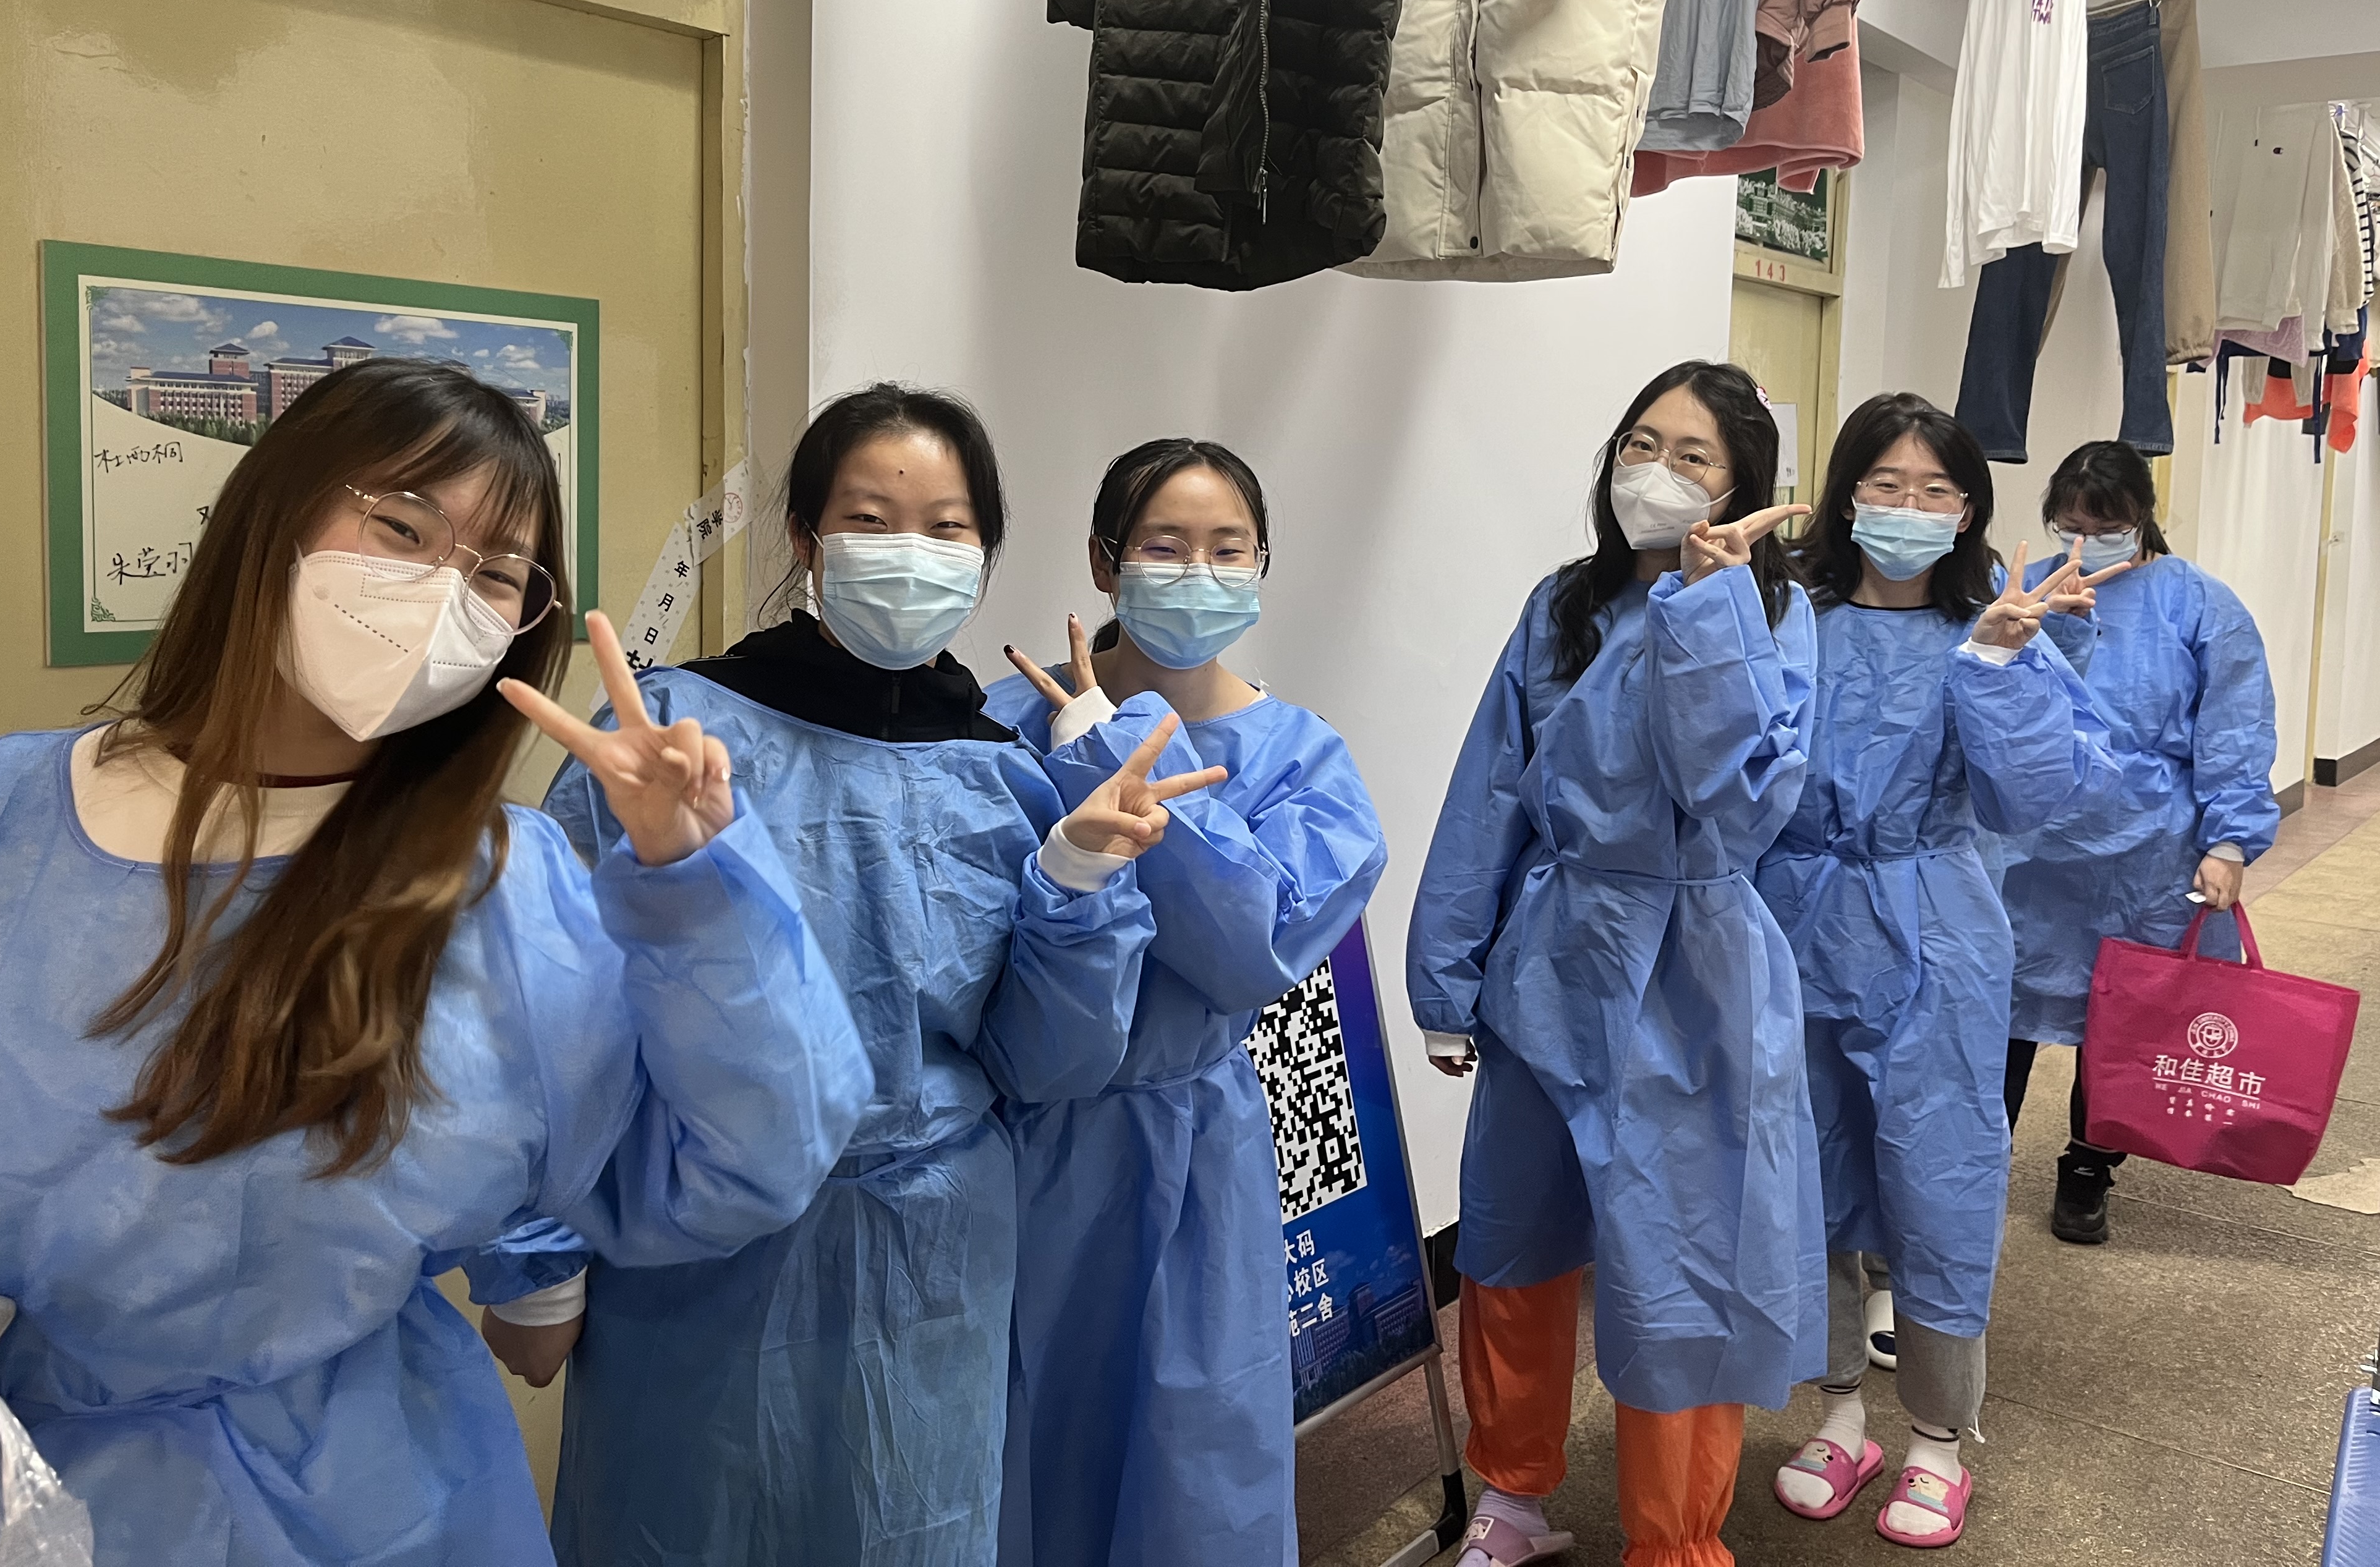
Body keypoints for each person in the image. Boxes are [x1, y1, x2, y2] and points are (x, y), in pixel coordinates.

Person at [0, 357, 877, 1564]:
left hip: (374, 1503)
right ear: (275, 514)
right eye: (401, 528)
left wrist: (698, 881)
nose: (439, 592)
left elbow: (741, 1161)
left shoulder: (499, 885)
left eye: (496, 574)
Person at [536, 384, 1223, 1567]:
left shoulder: (1000, 773)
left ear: (985, 552)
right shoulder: (685, 734)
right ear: (806, 539)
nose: (912, 552)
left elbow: (1043, 1062)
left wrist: (1075, 877)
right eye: (871, 519)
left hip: (934, 1258)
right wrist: (539, 1261)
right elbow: (562, 1009)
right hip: (698, 1243)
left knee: (914, 1527)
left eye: (948, 528)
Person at [1409, 360, 1816, 1567]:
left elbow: (1739, 802)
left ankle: (1674, 1540)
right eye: (1642, 444)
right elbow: (1491, 786)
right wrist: (1449, 973)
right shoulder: (1563, 604)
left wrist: (1706, 611)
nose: (1658, 472)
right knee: (1512, 1240)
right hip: (1554, 957)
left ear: (1742, 484)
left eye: (1693, 456)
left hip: (1696, 972)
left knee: (1680, 1265)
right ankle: (1514, 1495)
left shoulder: (1776, 617)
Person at [987, 439, 1387, 1567]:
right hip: (1017, 1138)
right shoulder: (1004, 721)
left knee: (1193, 1459)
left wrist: (1105, 750)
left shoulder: (1302, 759)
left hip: (1192, 1147)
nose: (1197, 573)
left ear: (1263, 566)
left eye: (1228, 550)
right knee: (1016, 1450)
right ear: (1104, 561)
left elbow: (1247, 950)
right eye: (1164, 547)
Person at [1758, 394, 2121, 1548]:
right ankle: (1837, 1413)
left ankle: (1937, 1439)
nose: (1908, 507)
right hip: (1791, 921)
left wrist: (2000, 665)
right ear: (1846, 493)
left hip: (1936, 930)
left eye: (1935, 490)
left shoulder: (1994, 629)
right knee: (1805, 1174)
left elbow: (2032, 799)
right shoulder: (1790, 617)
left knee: (1938, 1177)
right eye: (1885, 484)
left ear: (1967, 512)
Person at [1994, 440, 2280, 1244]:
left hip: (2147, 850)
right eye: (2071, 525)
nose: (2087, 541)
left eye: (2106, 526)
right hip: (2031, 846)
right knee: (2000, 1005)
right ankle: (1977, 1158)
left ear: (2142, 519)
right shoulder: (2024, 589)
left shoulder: (2198, 604)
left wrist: (2230, 842)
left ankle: (2089, 1166)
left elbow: (2235, 727)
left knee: (2125, 1015)